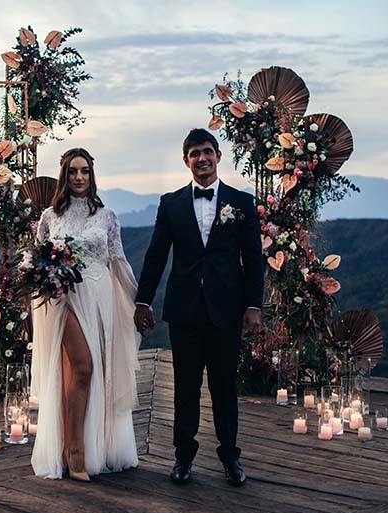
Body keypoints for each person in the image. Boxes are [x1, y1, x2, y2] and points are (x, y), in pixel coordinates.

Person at [134, 129, 264, 486]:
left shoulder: (241, 202)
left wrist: (254, 305)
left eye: (207, 152)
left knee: (225, 388)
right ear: (186, 160)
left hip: (226, 310)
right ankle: (182, 458)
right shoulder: (171, 203)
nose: (202, 158)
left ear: (219, 156)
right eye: (194, 153)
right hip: (185, 312)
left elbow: (253, 259)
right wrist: (142, 300)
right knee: (185, 389)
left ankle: (230, 458)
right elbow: (157, 255)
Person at [30, 148, 141, 481]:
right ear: (64, 175)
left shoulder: (107, 217)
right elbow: (38, 263)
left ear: (92, 175)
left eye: (85, 171)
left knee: (100, 373)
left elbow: (118, 262)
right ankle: (74, 450)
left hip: (101, 298)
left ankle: (99, 447)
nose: (79, 177)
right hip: (66, 301)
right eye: (73, 171)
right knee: (83, 367)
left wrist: (140, 303)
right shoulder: (50, 217)